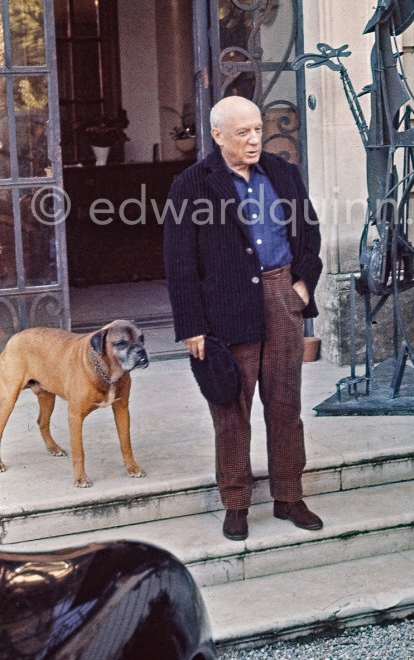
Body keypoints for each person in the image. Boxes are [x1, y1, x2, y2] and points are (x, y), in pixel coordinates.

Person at [164, 96, 323, 541]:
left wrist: (301, 286)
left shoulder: (283, 172)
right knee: (231, 408)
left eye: (257, 129)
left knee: (284, 401)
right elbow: (179, 261)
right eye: (242, 132)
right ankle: (236, 503)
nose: (254, 139)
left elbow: (309, 233)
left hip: (281, 292)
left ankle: (289, 495)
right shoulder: (191, 185)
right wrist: (192, 326)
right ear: (218, 136)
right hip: (225, 306)